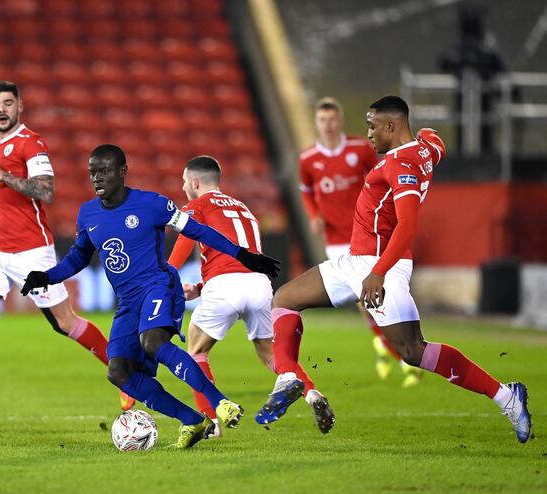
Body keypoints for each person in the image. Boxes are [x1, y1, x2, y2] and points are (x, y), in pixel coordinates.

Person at [263, 96, 531, 443]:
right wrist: (429, 136)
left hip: (378, 265)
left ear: (391, 126)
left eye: (373, 125)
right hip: (353, 259)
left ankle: (507, 398)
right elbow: (437, 145)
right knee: (283, 298)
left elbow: (407, 224)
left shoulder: (400, 164)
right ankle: (287, 376)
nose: (368, 133)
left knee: (413, 351)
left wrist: (377, 273)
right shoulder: (423, 150)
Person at [21, 144, 281, 448]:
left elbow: (197, 231)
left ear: (122, 172)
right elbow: (78, 258)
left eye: (103, 171)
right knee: (118, 372)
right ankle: (193, 420)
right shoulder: (88, 213)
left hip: (159, 285)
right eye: (92, 172)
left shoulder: (152, 204)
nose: (96, 178)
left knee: (153, 342)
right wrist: (47, 276)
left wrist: (242, 254)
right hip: (128, 301)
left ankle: (219, 403)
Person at [0, 81, 132, 424]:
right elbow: (6, 197)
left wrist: (2, 176)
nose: (2, 110)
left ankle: (125, 376)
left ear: (20, 106)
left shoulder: (32, 144)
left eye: (7, 103)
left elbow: (45, 191)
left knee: (65, 322)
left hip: (31, 251)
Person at [167, 155, 335, 434]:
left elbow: (186, 242)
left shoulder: (197, 206)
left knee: (196, 350)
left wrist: (167, 278)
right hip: (258, 285)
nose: (184, 187)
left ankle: (210, 423)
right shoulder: (243, 208)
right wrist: (199, 287)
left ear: (195, 182)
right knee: (270, 353)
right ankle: (313, 395)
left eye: (185, 182)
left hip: (225, 286)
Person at [300, 96, 423, 386]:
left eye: (332, 119)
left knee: (370, 299)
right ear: (316, 123)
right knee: (365, 300)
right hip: (337, 238)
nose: (327, 125)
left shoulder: (361, 148)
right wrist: (313, 214)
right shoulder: (308, 159)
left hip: (370, 234)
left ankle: (394, 348)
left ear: (340, 121)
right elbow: (306, 190)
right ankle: (391, 347)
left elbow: (385, 178)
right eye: (322, 120)